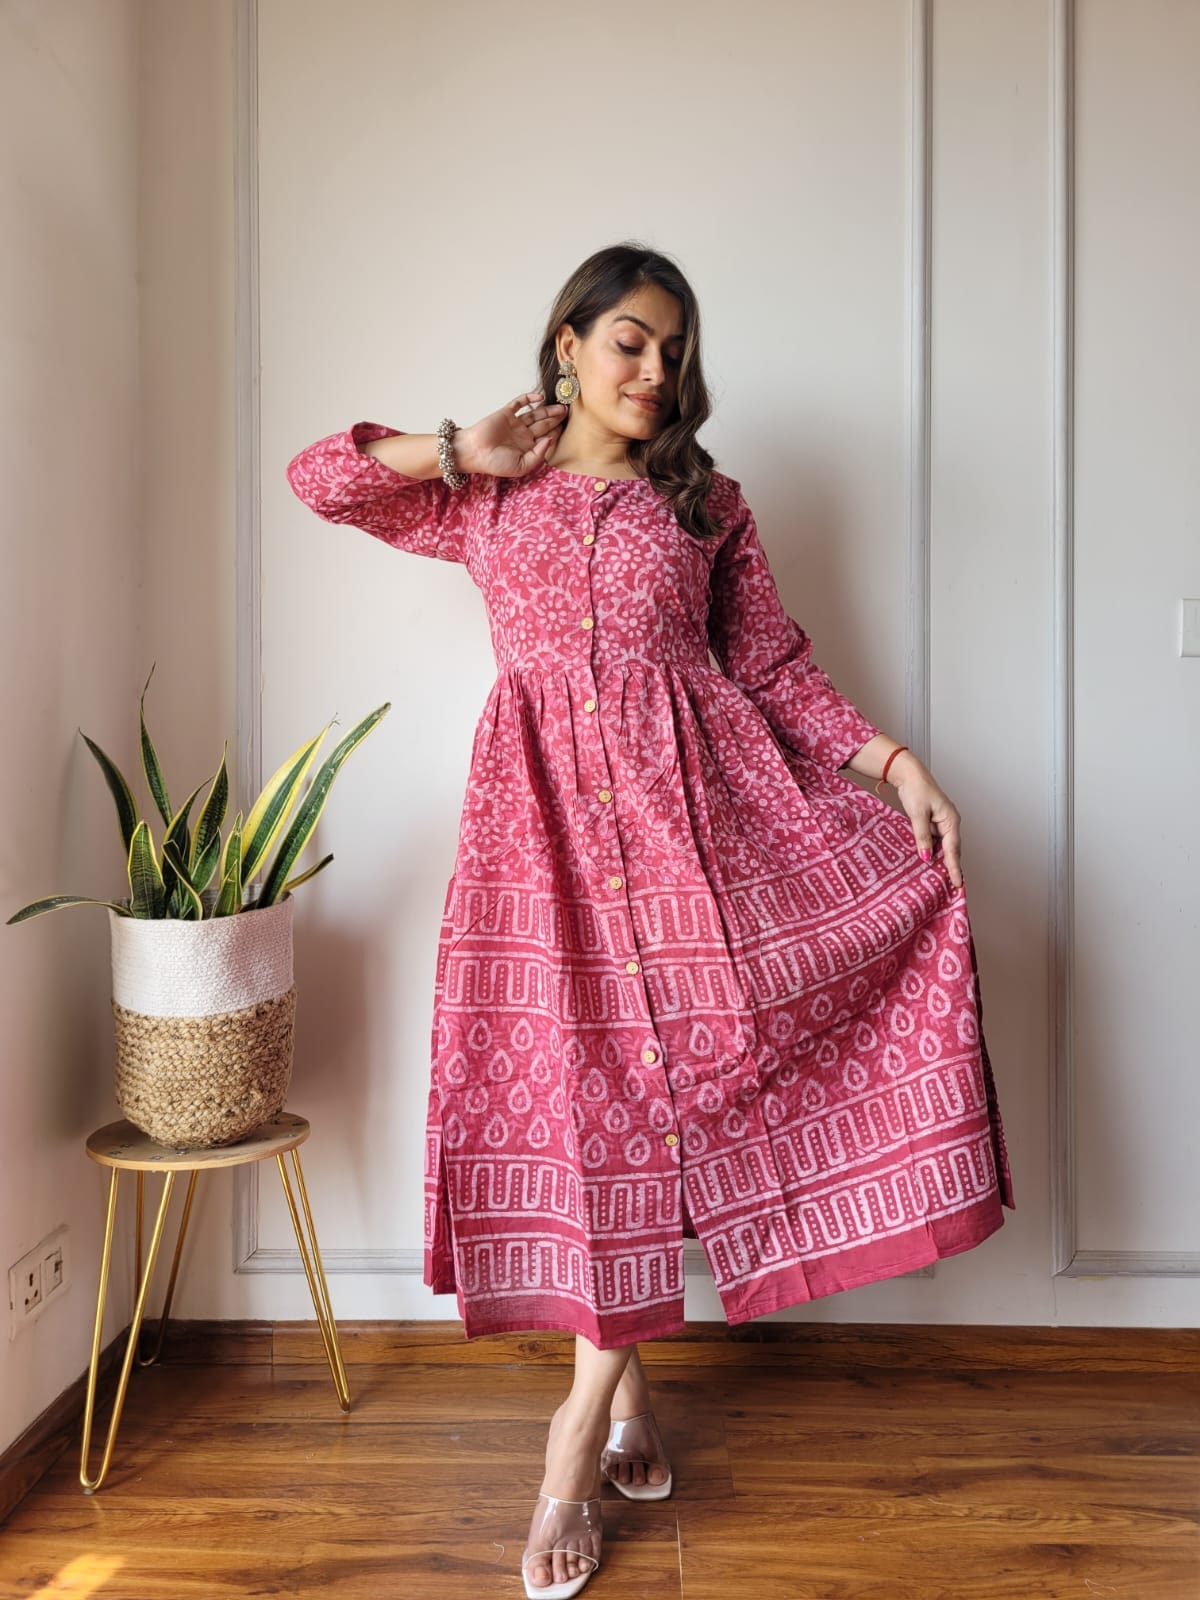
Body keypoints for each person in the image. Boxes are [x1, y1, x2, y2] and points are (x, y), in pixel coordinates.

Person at [286, 240, 1015, 1598]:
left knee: (670, 1099)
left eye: (673, 350)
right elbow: (319, 477)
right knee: (595, 1117)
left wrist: (898, 766)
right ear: (567, 343)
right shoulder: (485, 497)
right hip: (542, 849)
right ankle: (626, 1403)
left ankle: (574, 1437)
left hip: (701, 835)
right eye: (629, 340)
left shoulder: (706, 503)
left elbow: (775, 668)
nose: (655, 370)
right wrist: (459, 446)